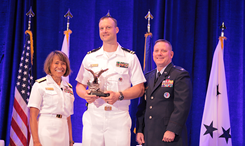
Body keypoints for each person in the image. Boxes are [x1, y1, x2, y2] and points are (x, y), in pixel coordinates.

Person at [76, 14, 146, 146]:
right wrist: (85, 94)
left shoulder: (129, 57)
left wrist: (119, 95)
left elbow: (140, 88)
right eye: (101, 28)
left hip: (118, 117)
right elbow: (79, 85)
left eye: (108, 27)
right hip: (93, 117)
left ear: (117, 30)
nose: (104, 31)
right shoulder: (90, 57)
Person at [136, 39, 192, 146]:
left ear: (171, 54)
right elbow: (143, 106)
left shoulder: (180, 75)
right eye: (156, 51)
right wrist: (139, 129)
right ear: (152, 54)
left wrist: (172, 129)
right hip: (149, 134)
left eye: (163, 51)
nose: (159, 54)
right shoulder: (148, 76)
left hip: (169, 135)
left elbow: (182, 106)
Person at [28, 50, 74, 146]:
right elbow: (33, 116)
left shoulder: (68, 88)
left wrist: (70, 139)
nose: (60, 67)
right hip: (46, 131)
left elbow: (68, 116)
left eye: (63, 64)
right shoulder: (40, 85)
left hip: (63, 131)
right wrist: (36, 141)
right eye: (56, 63)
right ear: (49, 65)